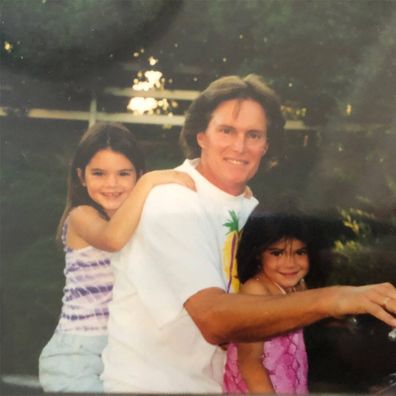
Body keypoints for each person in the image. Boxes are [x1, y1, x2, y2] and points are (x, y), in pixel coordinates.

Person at [101, 75, 396, 393]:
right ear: (201, 134)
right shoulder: (173, 199)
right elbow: (214, 319)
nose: (240, 146)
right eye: (226, 130)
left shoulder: (250, 208)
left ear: (267, 145)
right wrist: (334, 298)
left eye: (253, 135)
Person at [38, 122, 194, 392]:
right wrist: (150, 181)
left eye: (124, 173)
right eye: (98, 173)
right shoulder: (81, 217)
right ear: (81, 176)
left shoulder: (141, 220)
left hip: (124, 351)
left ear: (137, 175)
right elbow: (112, 239)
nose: (111, 184)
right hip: (79, 353)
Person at [224, 213, 322, 394]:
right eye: (277, 253)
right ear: (257, 255)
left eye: (300, 252)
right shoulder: (256, 291)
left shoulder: (298, 286)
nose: (290, 263)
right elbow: (249, 362)